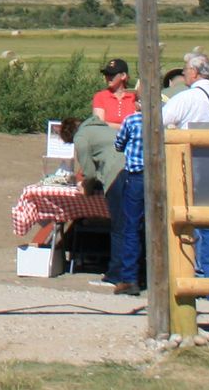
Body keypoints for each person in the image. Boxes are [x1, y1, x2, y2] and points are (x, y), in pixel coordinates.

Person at [162, 51, 209, 298]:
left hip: (189, 168)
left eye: (185, 71)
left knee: (183, 225)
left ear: (193, 72)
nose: (184, 75)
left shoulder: (186, 98)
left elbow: (161, 122)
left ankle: (187, 280)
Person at [60, 115, 125, 286]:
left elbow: (88, 172)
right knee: (131, 226)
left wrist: (86, 188)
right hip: (132, 170)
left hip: (115, 174)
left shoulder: (81, 137)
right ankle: (132, 272)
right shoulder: (102, 127)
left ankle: (116, 274)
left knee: (119, 227)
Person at [112, 93, 145, 296]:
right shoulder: (165, 119)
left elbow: (118, 145)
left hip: (136, 176)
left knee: (131, 227)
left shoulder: (131, 120)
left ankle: (129, 277)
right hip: (160, 176)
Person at [92, 58, 136, 129]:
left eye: (112, 74)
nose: (108, 77)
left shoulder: (133, 97)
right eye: (106, 74)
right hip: (107, 138)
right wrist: (126, 127)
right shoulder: (100, 96)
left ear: (123, 76)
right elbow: (98, 124)